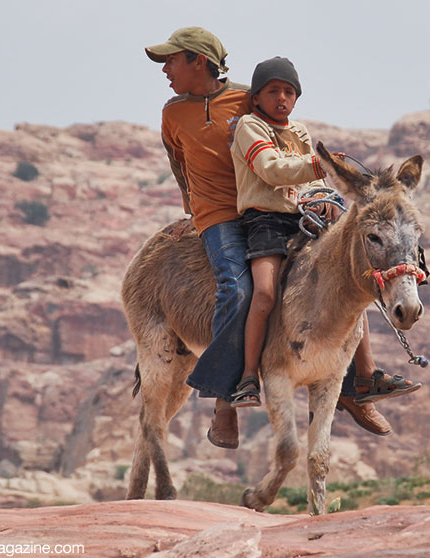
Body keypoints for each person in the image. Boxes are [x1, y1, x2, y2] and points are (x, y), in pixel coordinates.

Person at [144, 28, 415, 449]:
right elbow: (181, 166)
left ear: (199, 60)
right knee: (237, 290)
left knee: (345, 274)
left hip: (281, 212)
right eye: (275, 92)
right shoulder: (173, 114)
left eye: (171, 60)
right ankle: (224, 401)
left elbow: (291, 153)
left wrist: (321, 194)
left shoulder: (248, 99)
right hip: (223, 217)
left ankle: (359, 380)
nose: (165, 69)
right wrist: (190, 212)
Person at [227, 57, 422, 416]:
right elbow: (270, 169)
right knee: (265, 292)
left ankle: (366, 375)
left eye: (289, 92)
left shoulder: (299, 132)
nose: (282, 98)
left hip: (301, 221)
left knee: (351, 282)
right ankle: (247, 376)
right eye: (273, 91)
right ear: (256, 98)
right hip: (264, 222)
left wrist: (326, 196)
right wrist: (321, 165)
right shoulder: (249, 127)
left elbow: (313, 183)